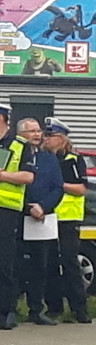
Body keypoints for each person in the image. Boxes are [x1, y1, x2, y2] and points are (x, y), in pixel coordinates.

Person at [41, 118, 91, 323]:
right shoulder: (43, 158)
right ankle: (54, 308)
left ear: (61, 139)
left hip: (68, 219)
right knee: (49, 264)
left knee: (70, 264)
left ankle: (80, 309)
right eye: (45, 135)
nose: (46, 139)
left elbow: (81, 189)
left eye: (50, 136)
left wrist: (59, 185)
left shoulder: (73, 159)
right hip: (47, 216)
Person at [16, 117, 63, 326]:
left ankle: (37, 309)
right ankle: (10, 308)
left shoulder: (49, 158)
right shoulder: (14, 155)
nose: (37, 135)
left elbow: (58, 187)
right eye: (31, 132)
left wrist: (43, 206)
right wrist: (29, 206)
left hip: (41, 219)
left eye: (38, 131)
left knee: (39, 267)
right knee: (14, 265)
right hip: (17, 217)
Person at [0, 102, 35, 330]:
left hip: (7, 211)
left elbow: (28, 177)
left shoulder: (19, 146)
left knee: (5, 263)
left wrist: (2, 175)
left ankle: (7, 311)